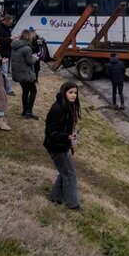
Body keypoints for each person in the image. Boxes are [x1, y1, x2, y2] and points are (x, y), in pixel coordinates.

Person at [43, 81, 81, 210]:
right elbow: (50, 132)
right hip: (56, 147)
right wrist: (67, 137)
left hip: (64, 145)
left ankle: (55, 197)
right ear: (64, 92)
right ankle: (73, 205)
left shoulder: (69, 106)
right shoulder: (57, 109)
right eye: (70, 92)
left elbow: (66, 127)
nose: (73, 95)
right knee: (70, 174)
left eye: (75, 93)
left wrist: (71, 137)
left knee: (64, 171)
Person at [11, 29, 39, 119]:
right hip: (26, 74)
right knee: (33, 91)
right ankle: (29, 112)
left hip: (18, 73)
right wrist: (35, 58)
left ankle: (24, 111)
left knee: (25, 91)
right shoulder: (27, 48)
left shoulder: (15, 46)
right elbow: (30, 62)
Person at [0, 15, 15, 95]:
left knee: (5, 72)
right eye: (10, 23)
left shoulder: (6, 29)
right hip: (2, 53)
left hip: (6, 52)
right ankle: (7, 89)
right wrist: (10, 39)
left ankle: (5, 88)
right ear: (6, 21)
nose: (11, 24)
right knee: (4, 72)